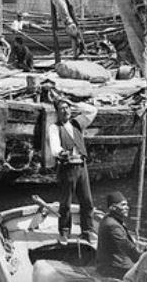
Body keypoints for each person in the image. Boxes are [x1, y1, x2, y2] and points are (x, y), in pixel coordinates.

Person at [47, 95, 98, 244]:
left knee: (87, 200)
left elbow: (92, 111)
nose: (65, 111)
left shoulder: (77, 123)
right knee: (66, 203)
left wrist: (75, 104)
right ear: (57, 112)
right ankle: (64, 232)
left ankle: (87, 231)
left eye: (67, 108)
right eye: (62, 109)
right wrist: (61, 152)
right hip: (67, 168)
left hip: (82, 167)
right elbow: (55, 147)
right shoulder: (54, 127)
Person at [96, 191, 142, 278]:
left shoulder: (110, 219)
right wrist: (144, 260)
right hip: (115, 269)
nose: (127, 207)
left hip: (115, 265)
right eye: (123, 205)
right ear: (113, 207)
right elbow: (128, 248)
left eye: (127, 205)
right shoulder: (112, 225)